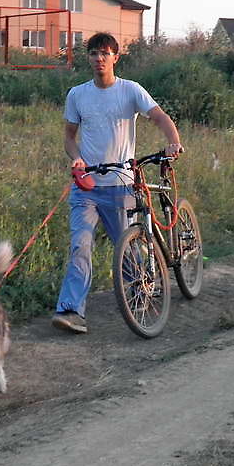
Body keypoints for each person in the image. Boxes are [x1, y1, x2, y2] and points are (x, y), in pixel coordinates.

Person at [52, 32, 183, 334]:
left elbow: (159, 116)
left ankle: (139, 288)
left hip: (121, 184)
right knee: (79, 245)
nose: (99, 59)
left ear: (115, 57)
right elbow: (70, 138)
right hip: (85, 186)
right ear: (89, 58)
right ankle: (71, 310)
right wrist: (76, 159)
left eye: (104, 53)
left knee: (126, 246)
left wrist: (173, 141)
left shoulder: (130, 90)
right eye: (94, 54)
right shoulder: (77, 95)